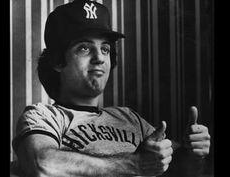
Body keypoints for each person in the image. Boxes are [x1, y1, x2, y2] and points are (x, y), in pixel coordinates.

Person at [11, 0, 211, 176]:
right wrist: (135, 165)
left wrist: (192, 153)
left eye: (105, 49)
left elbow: (181, 171)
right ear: (57, 61)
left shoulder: (129, 118)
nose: (99, 58)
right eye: (84, 47)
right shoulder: (43, 116)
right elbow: (42, 164)